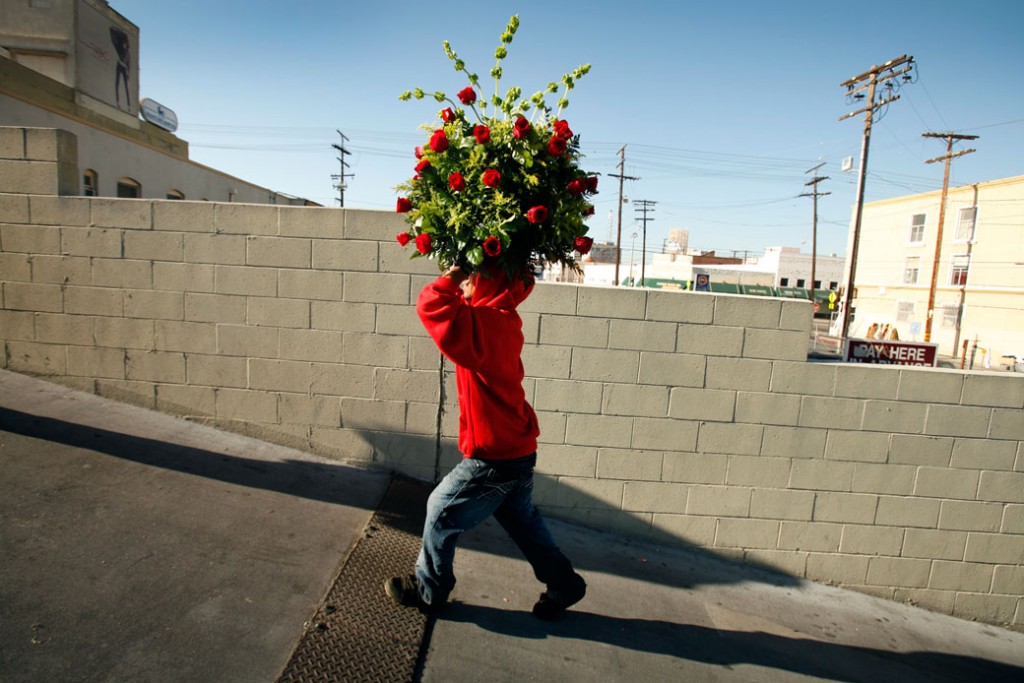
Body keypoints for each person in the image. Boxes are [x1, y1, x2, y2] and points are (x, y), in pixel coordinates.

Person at [385, 265, 586, 620]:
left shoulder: (487, 324)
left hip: (495, 458)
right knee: (522, 522)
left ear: (487, 282)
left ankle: (429, 590)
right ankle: (564, 583)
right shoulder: (500, 318)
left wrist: (452, 273)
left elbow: (432, 307)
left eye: (471, 277)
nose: (463, 283)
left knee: (440, 511)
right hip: (516, 450)